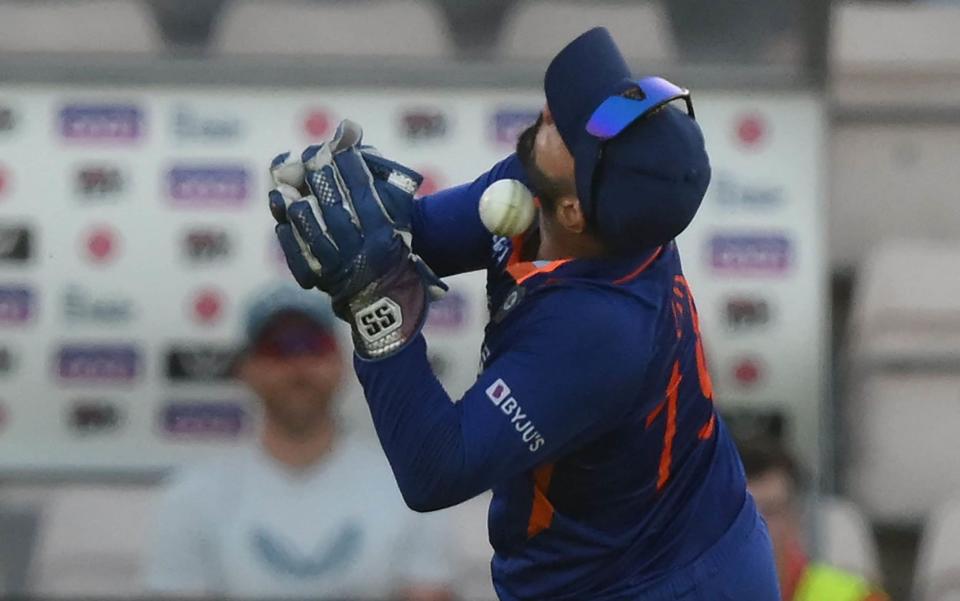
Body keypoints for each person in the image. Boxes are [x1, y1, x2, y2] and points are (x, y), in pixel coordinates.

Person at [268, 27, 779, 600]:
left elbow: (435, 470)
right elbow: (423, 236)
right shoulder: (556, 191)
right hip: (670, 541)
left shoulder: (596, 331)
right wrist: (373, 221)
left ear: (576, 211)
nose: (548, 112)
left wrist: (376, 311)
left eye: (565, 127)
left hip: (656, 584)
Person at [145, 284, 454, 601]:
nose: (298, 365)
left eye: (313, 346)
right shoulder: (191, 497)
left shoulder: (408, 491)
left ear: (340, 364)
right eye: (277, 349)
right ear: (246, 369)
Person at [741, 439, 888, 601]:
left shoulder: (855, 597)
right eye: (737, 515)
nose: (753, 528)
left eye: (769, 511)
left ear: (795, 519)